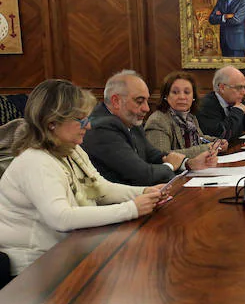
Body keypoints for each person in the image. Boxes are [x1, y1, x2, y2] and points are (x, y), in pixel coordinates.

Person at [0, 80, 164, 275]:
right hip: (35, 269)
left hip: (68, 253)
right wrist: (131, 209)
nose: (88, 126)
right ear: (52, 122)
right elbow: (61, 218)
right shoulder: (35, 161)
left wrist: (146, 191)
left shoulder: (71, 150)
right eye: (80, 120)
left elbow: (101, 189)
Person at [82, 70, 217, 186]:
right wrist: (170, 166)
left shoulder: (130, 120)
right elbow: (142, 175)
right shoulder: (102, 128)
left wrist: (188, 164)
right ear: (116, 101)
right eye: (139, 101)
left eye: (146, 101)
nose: (146, 108)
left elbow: (154, 154)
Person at [145, 71, 228, 158]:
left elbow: (200, 138)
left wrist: (217, 142)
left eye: (187, 92)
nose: (182, 97)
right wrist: (206, 149)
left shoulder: (190, 117)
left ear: (193, 97)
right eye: (175, 92)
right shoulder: (158, 121)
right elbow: (162, 156)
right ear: (166, 96)